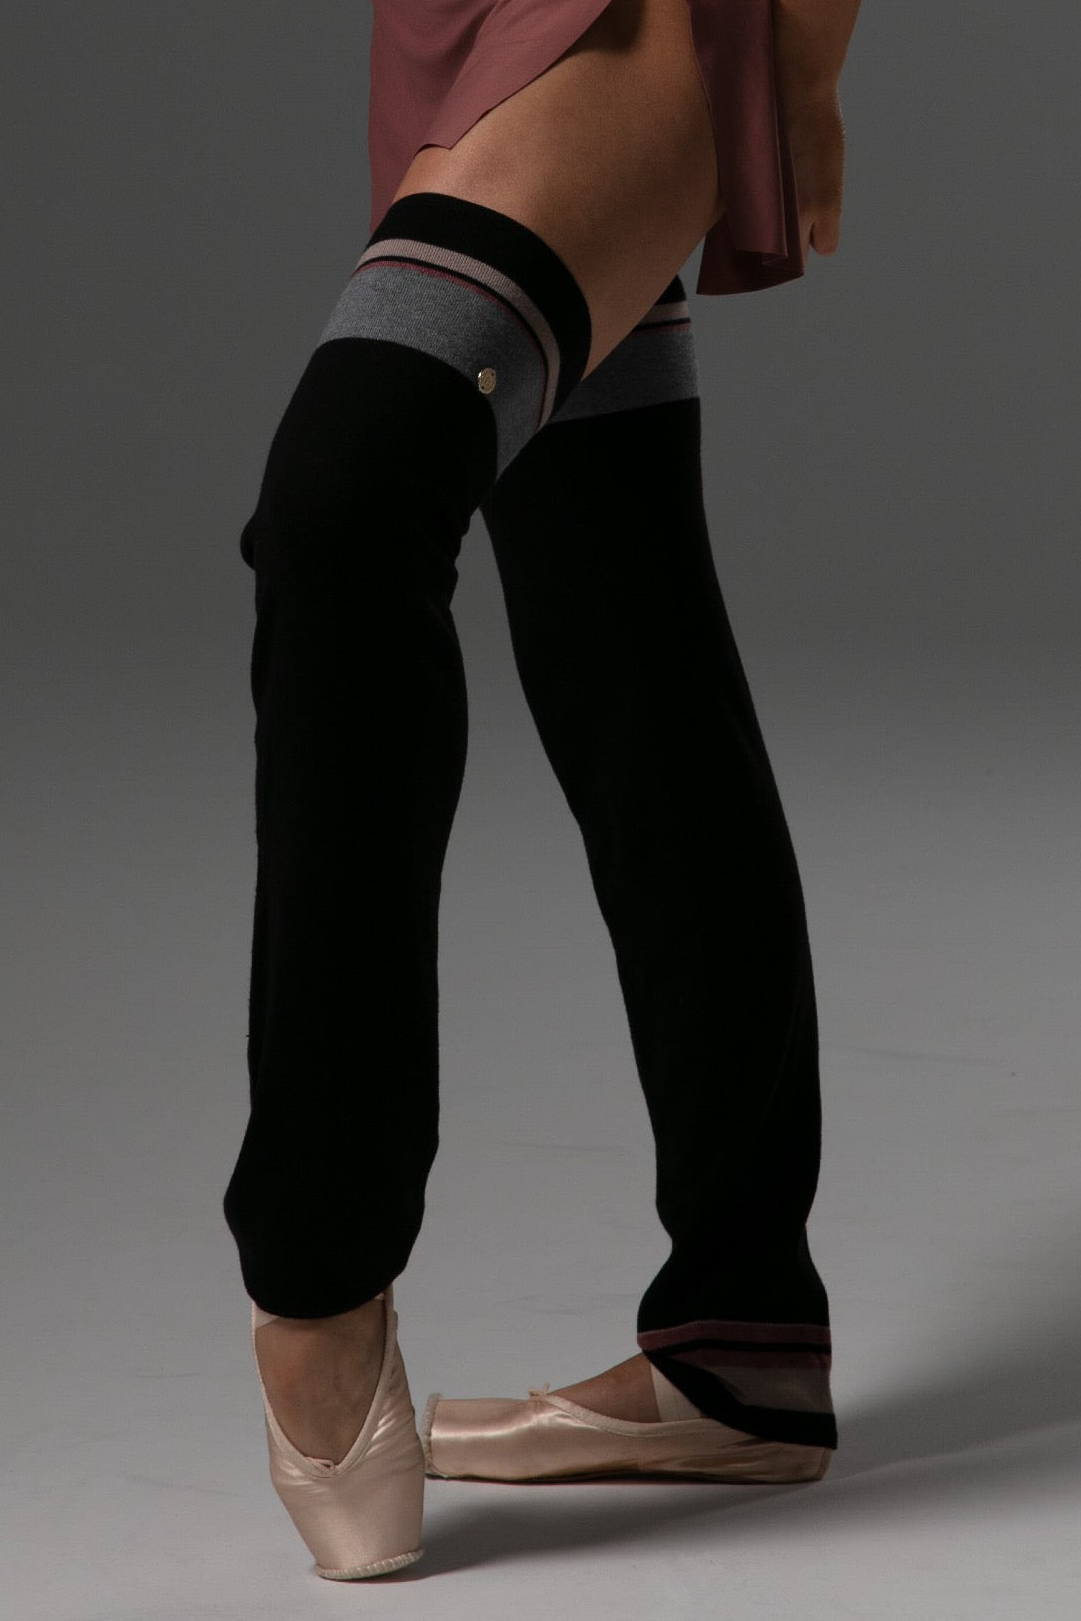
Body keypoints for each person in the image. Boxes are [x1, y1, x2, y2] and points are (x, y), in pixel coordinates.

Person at [222, 0, 864, 1581]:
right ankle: (743, 1332)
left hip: (632, 17)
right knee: (627, 641)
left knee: (349, 504)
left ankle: (321, 1279)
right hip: (445, 33)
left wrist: (804, 55)